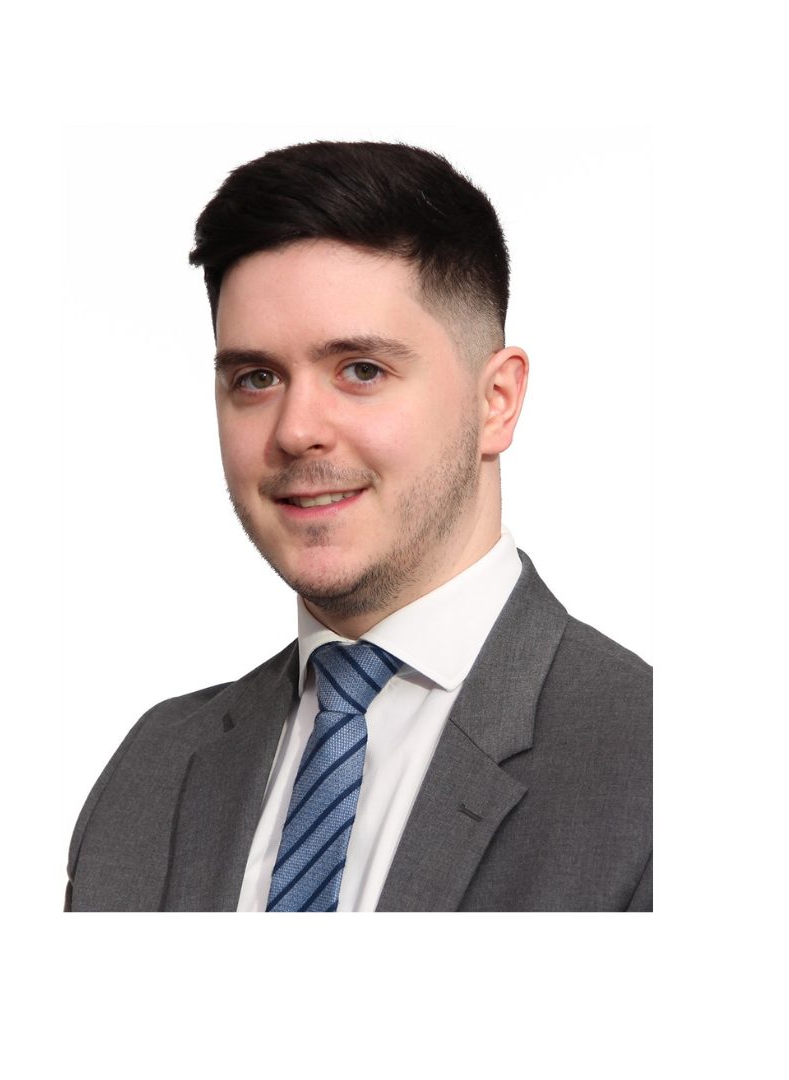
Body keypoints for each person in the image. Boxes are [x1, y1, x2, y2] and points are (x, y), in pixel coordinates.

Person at [65, 141, 652, 912]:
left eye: (361, 370)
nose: (296, 430)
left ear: (497, 402)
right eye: (256, 378)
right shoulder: (150, 773)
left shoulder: (655, 766)